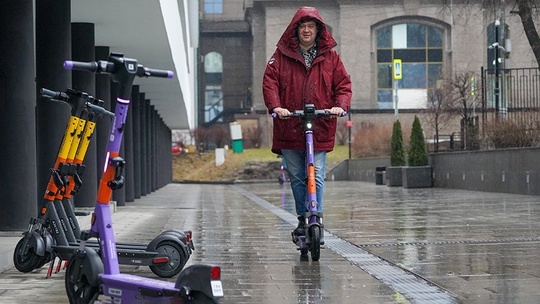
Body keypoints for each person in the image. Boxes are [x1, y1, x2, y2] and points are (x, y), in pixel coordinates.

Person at [262, 6, 352, 237]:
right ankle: (303, 218)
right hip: (289, 125)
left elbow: (343, 85)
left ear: (318, 30)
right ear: (296, 30)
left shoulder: (331, 58)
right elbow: (270, 82)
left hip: (319, 124)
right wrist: (277, 107)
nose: (306, 30)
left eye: (311, 26)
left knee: (316, 173)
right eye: (302, 26)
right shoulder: (280, 57)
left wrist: (339, 106)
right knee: (297, 176)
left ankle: (316, 217)